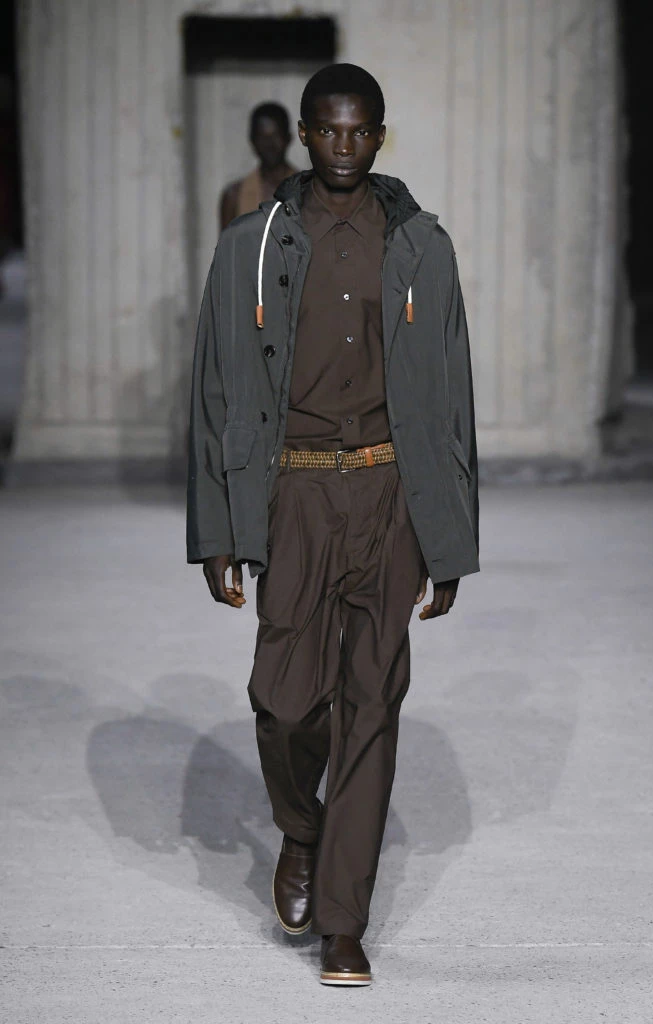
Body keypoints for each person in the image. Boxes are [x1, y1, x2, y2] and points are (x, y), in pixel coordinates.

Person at [187, 63, 479, 987]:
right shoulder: (251, 243)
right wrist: (217, 528)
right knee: (283, 702)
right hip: (296, 492)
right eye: (328, 130)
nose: (343, 147)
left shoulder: (423, 246)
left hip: (389, 491)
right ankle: (301, 830)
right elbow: (215, 389)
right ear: (306, 135)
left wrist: (449, 537)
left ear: (378, 136)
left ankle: (343, 924)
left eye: (360, 132)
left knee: (371, 705)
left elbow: (452, 394)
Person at [218, 101, 297, 232]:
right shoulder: (234, 196)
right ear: (252, 141)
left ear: (288, 138)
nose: (270, 145)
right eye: (263, 137)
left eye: (275, 136)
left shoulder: (310, 192)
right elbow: (226, 244)